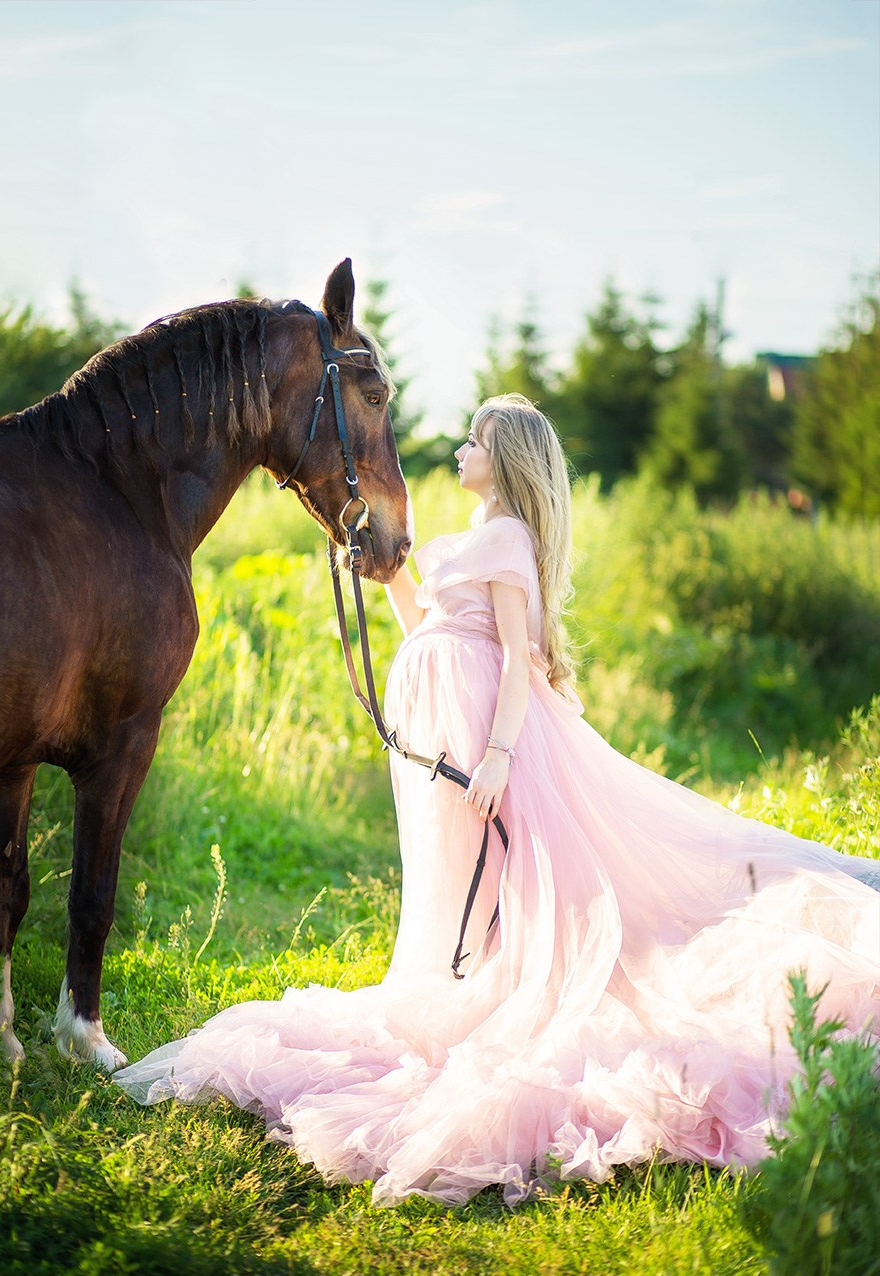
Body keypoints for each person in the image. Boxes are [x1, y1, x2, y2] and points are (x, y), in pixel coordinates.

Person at [114, 393, 880, 1208]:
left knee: (514, 883)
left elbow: (515, 660)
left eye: (473, 438)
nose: (459, 447)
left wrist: (497, 757)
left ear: (504, 458)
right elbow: (428, 630)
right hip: (449, 739)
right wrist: (388, 572)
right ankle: (477, 978)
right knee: (473, 893)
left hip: (488, 739)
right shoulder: (482, 539)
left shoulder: (508, 537)